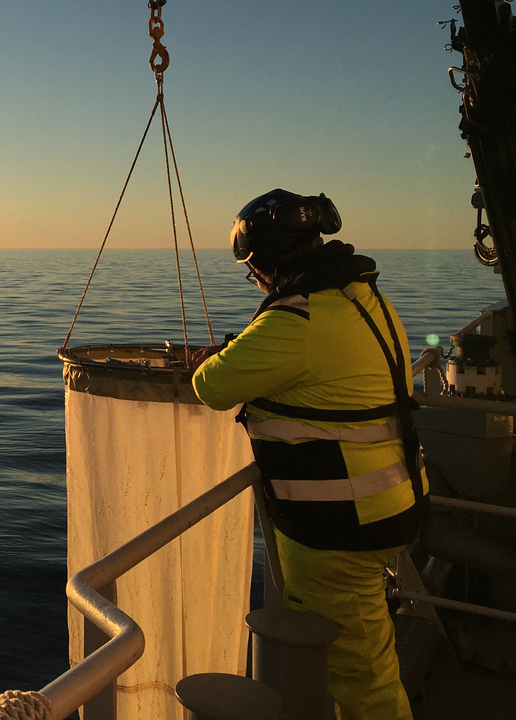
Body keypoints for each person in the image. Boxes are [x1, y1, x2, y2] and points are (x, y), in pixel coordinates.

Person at [191, 189, 427, 720]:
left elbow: (212, 385)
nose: (258, 282)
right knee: (358, 656)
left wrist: (217, 358)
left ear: (269, 264)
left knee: (363, 677)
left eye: (254, 272)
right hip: (392, 501)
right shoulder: (363, 297)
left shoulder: (296, 319)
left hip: (340, 527)